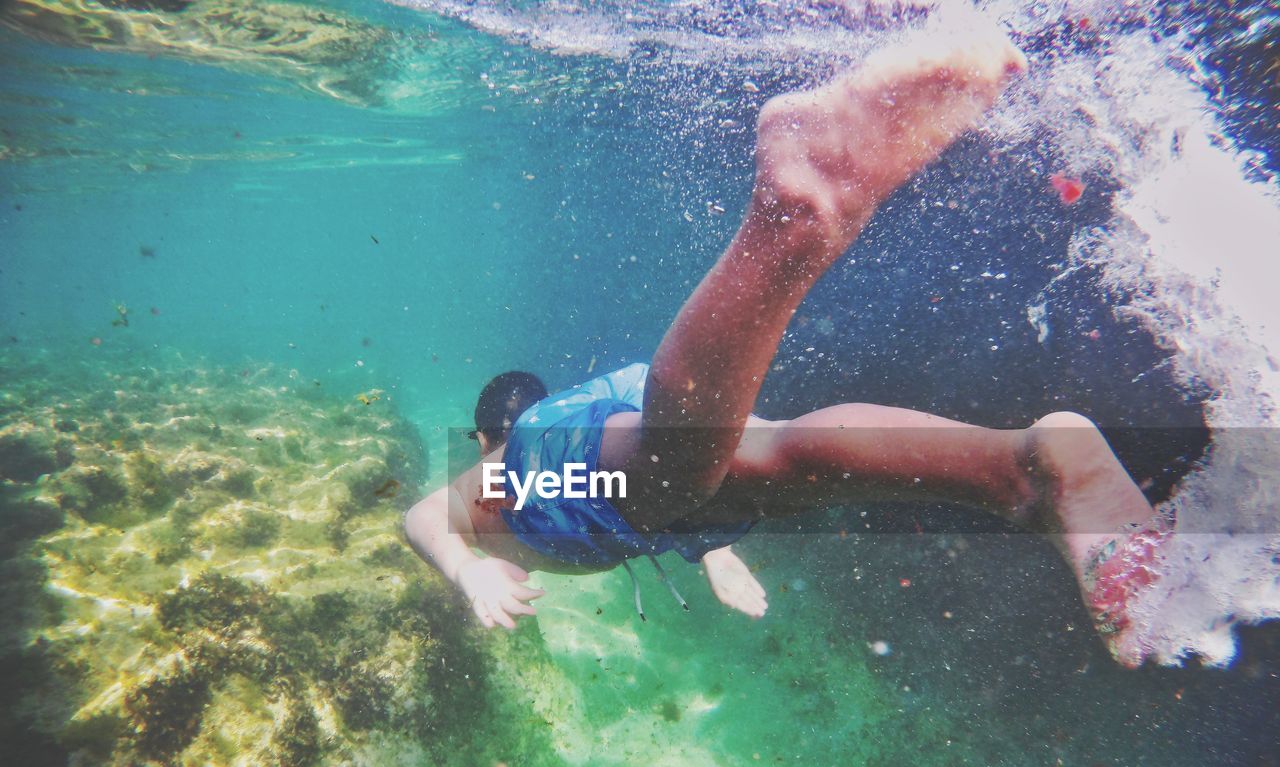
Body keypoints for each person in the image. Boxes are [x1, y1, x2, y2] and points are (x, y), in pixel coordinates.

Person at [405, 25, 1167, 667]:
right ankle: (1020, 471)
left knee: (678, 469)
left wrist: (467, 572)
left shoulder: (504, 471)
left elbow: (421, 518)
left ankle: (798, 213)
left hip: (614, 453)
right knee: (777, 461)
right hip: (645, 429)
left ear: (483, 436)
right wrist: (712, 552)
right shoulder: (566, 447)